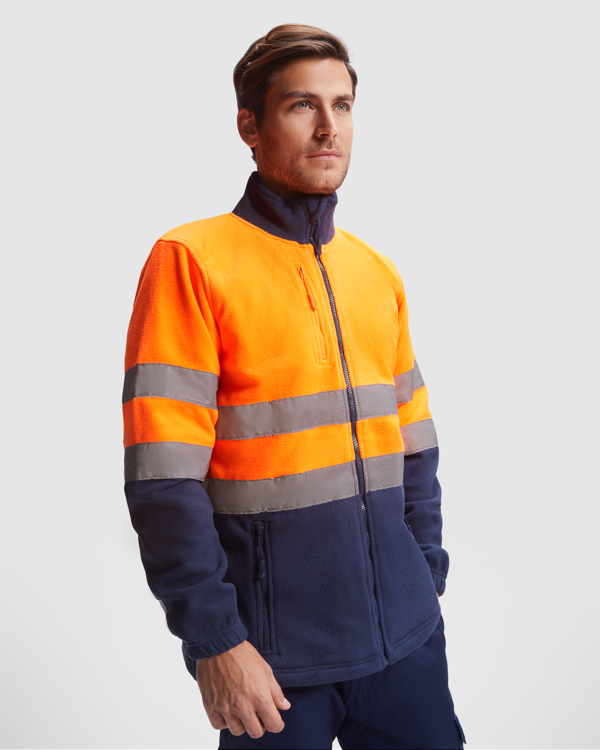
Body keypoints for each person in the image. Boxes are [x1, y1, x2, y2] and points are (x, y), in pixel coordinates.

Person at [122, 23, 467, 750]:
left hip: (405, 643)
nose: (328, 127)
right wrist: (216, 641)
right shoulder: (191, 261)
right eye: (301, 105)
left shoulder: (375, 271)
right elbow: (163, 480)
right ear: (249, 126)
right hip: (273, 664)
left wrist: (423, 575)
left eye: (342, 106)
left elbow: (416, 445)